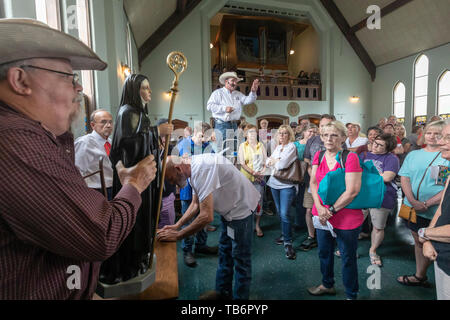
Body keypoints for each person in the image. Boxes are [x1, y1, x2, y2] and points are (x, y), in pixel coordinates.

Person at [0, 18, 157, 299]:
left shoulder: (38, 136)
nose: (79, 89)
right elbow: (100, 233)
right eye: (68, 78)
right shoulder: (16, 143)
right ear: (21, 80)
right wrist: (133, 185)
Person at [99, 73, 173, 285]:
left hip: (145, 178)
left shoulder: (140, 113)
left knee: (144, 220)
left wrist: (153, 137)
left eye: (149, 87)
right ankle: (128, 266)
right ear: (134, 90)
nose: (149, 91)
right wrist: (155, 132)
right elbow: (126, 146)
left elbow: (142, 142)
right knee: (134, 221)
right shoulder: (127, 112)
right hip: (133, 178)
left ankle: (140, 259)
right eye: (145, 88)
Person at [157, 154, 261, 300]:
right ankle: (222, 292)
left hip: (240, 211)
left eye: (171, 179)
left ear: (178, 168)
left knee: (241, 259)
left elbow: (207, 216)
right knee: (225, 253)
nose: (173, 183)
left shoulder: (202, 168)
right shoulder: (191, 170)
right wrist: (177, 225)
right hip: (228, 211)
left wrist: (179, 235)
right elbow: (195, 204)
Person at [308, 121, 363, 300]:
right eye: (325, 135)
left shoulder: (350, 157)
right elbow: (313, 183)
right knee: (324, 252)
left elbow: (352, 191)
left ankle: (351, 294)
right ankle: (327, 284)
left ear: (343, 137)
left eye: (334, 135)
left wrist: (330, 210)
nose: (329, 139)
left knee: (347, 257)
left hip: (345, 215)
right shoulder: (319, 155)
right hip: (321, 214)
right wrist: (319, 206)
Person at [397, 120, 450, 287]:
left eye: (438, 134)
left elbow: (446, 188)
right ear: (423, 135)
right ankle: (420, 274)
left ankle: (440, 273)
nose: (433, 137)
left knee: (438, 242)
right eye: (429, 133)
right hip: (413, 207)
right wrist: (413, 200)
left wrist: (427, 203)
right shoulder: (414, 154)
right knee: (418, 239)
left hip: (436, 210)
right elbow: (405, 177)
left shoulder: (446, 156)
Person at [177, 122, 218, 267]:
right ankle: (187, 250)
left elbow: (214, 160)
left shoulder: (207, 145)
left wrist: (212, 144)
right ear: (197, 132)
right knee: (188, 220)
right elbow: (187, 162)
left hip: (203, 187)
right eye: (204, 135)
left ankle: (201, 245)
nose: (206, 138)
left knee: (203, 219)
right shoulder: (185, 144)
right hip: (188, 189)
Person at [420, 122, 450, 300]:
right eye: (442, 137)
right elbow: (441, 210)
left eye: (448, 138)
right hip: (442, 255)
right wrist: (427, 240)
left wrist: (424, 233)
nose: (440, 142)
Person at [360, 134, 400, 266]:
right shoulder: (365, 155)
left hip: (383, 196)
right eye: (374, 143)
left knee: (378, 227)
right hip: (363, 195)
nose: (375, 146)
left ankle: (373, 251)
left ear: (388, 148)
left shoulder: (391, 158)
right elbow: (354, 172)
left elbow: (387, 177)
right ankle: (349, 248)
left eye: (380, 145)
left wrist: (364, 177)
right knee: (354, 223)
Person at [300, 114, 336, 251]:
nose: (323, 128)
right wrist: (315, 177)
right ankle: (311, 236)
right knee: (309, 209)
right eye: (321, 126)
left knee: (330, 210)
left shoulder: (337, 141)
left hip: (331, 184)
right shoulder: (313, 140)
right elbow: (307, 160)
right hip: (313, 181)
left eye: (327, 125)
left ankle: (332, 235)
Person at [266, 124, 298, 260]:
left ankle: (288, 242)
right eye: (280, 133)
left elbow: (281, 165)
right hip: (274, 184)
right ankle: (285, 233)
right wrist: (274, 160)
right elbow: (268, 162)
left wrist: (275, 161)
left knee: (285, 213)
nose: (282, 136)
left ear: (289, 135)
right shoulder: (278, 147)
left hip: (286, 185)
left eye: (285, 133)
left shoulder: (291, 147)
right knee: (279, 212)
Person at [207, 71, 260, 143]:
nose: (235, 83)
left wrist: (253, 91)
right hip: (222, 125)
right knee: (224, 148)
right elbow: (209, 106)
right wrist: (224, 109)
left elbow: (248, 100)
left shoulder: (238, 94)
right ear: (226, 81)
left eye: (236, 81)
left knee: (234, 147)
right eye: (232, 81)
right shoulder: (218, 93)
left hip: (234, 125)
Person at [75, 109, 114, 199]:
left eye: (110, 122)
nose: (108, 125)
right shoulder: (84, 143)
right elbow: (77, 173)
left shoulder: (110, 142)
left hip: (111, 189)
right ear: (93, 125)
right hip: (95, 191)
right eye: (103, 122)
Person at [238, 124, 267, 237]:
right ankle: (247, 224)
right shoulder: (242, 146)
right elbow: (242, 163)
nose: (252, 134)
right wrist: (253, 172)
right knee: (245, 202)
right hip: (246, 179)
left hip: (258, 180)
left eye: (254, 132)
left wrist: (262, 173)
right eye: (250, 132)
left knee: (258, 203)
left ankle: (257, 225)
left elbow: (265, 162)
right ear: (246, 134)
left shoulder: (261, 146)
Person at [293, 124, 317, 234]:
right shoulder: (296, 144)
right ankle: (299, 223)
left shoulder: (316, 145)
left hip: (310, 174)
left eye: (314, 132)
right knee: (298, 200)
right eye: (309, 131)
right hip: (297, 173)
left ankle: (312, 226)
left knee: (307, 202)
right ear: (304, 132)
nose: (311, 134)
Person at [156, 118, 177, 229]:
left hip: (167, 194)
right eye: (163, 135)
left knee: (168, 226)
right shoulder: (150, 148)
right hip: (153, 195)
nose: (165, 139)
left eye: (168, 135)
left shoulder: (173, 149)